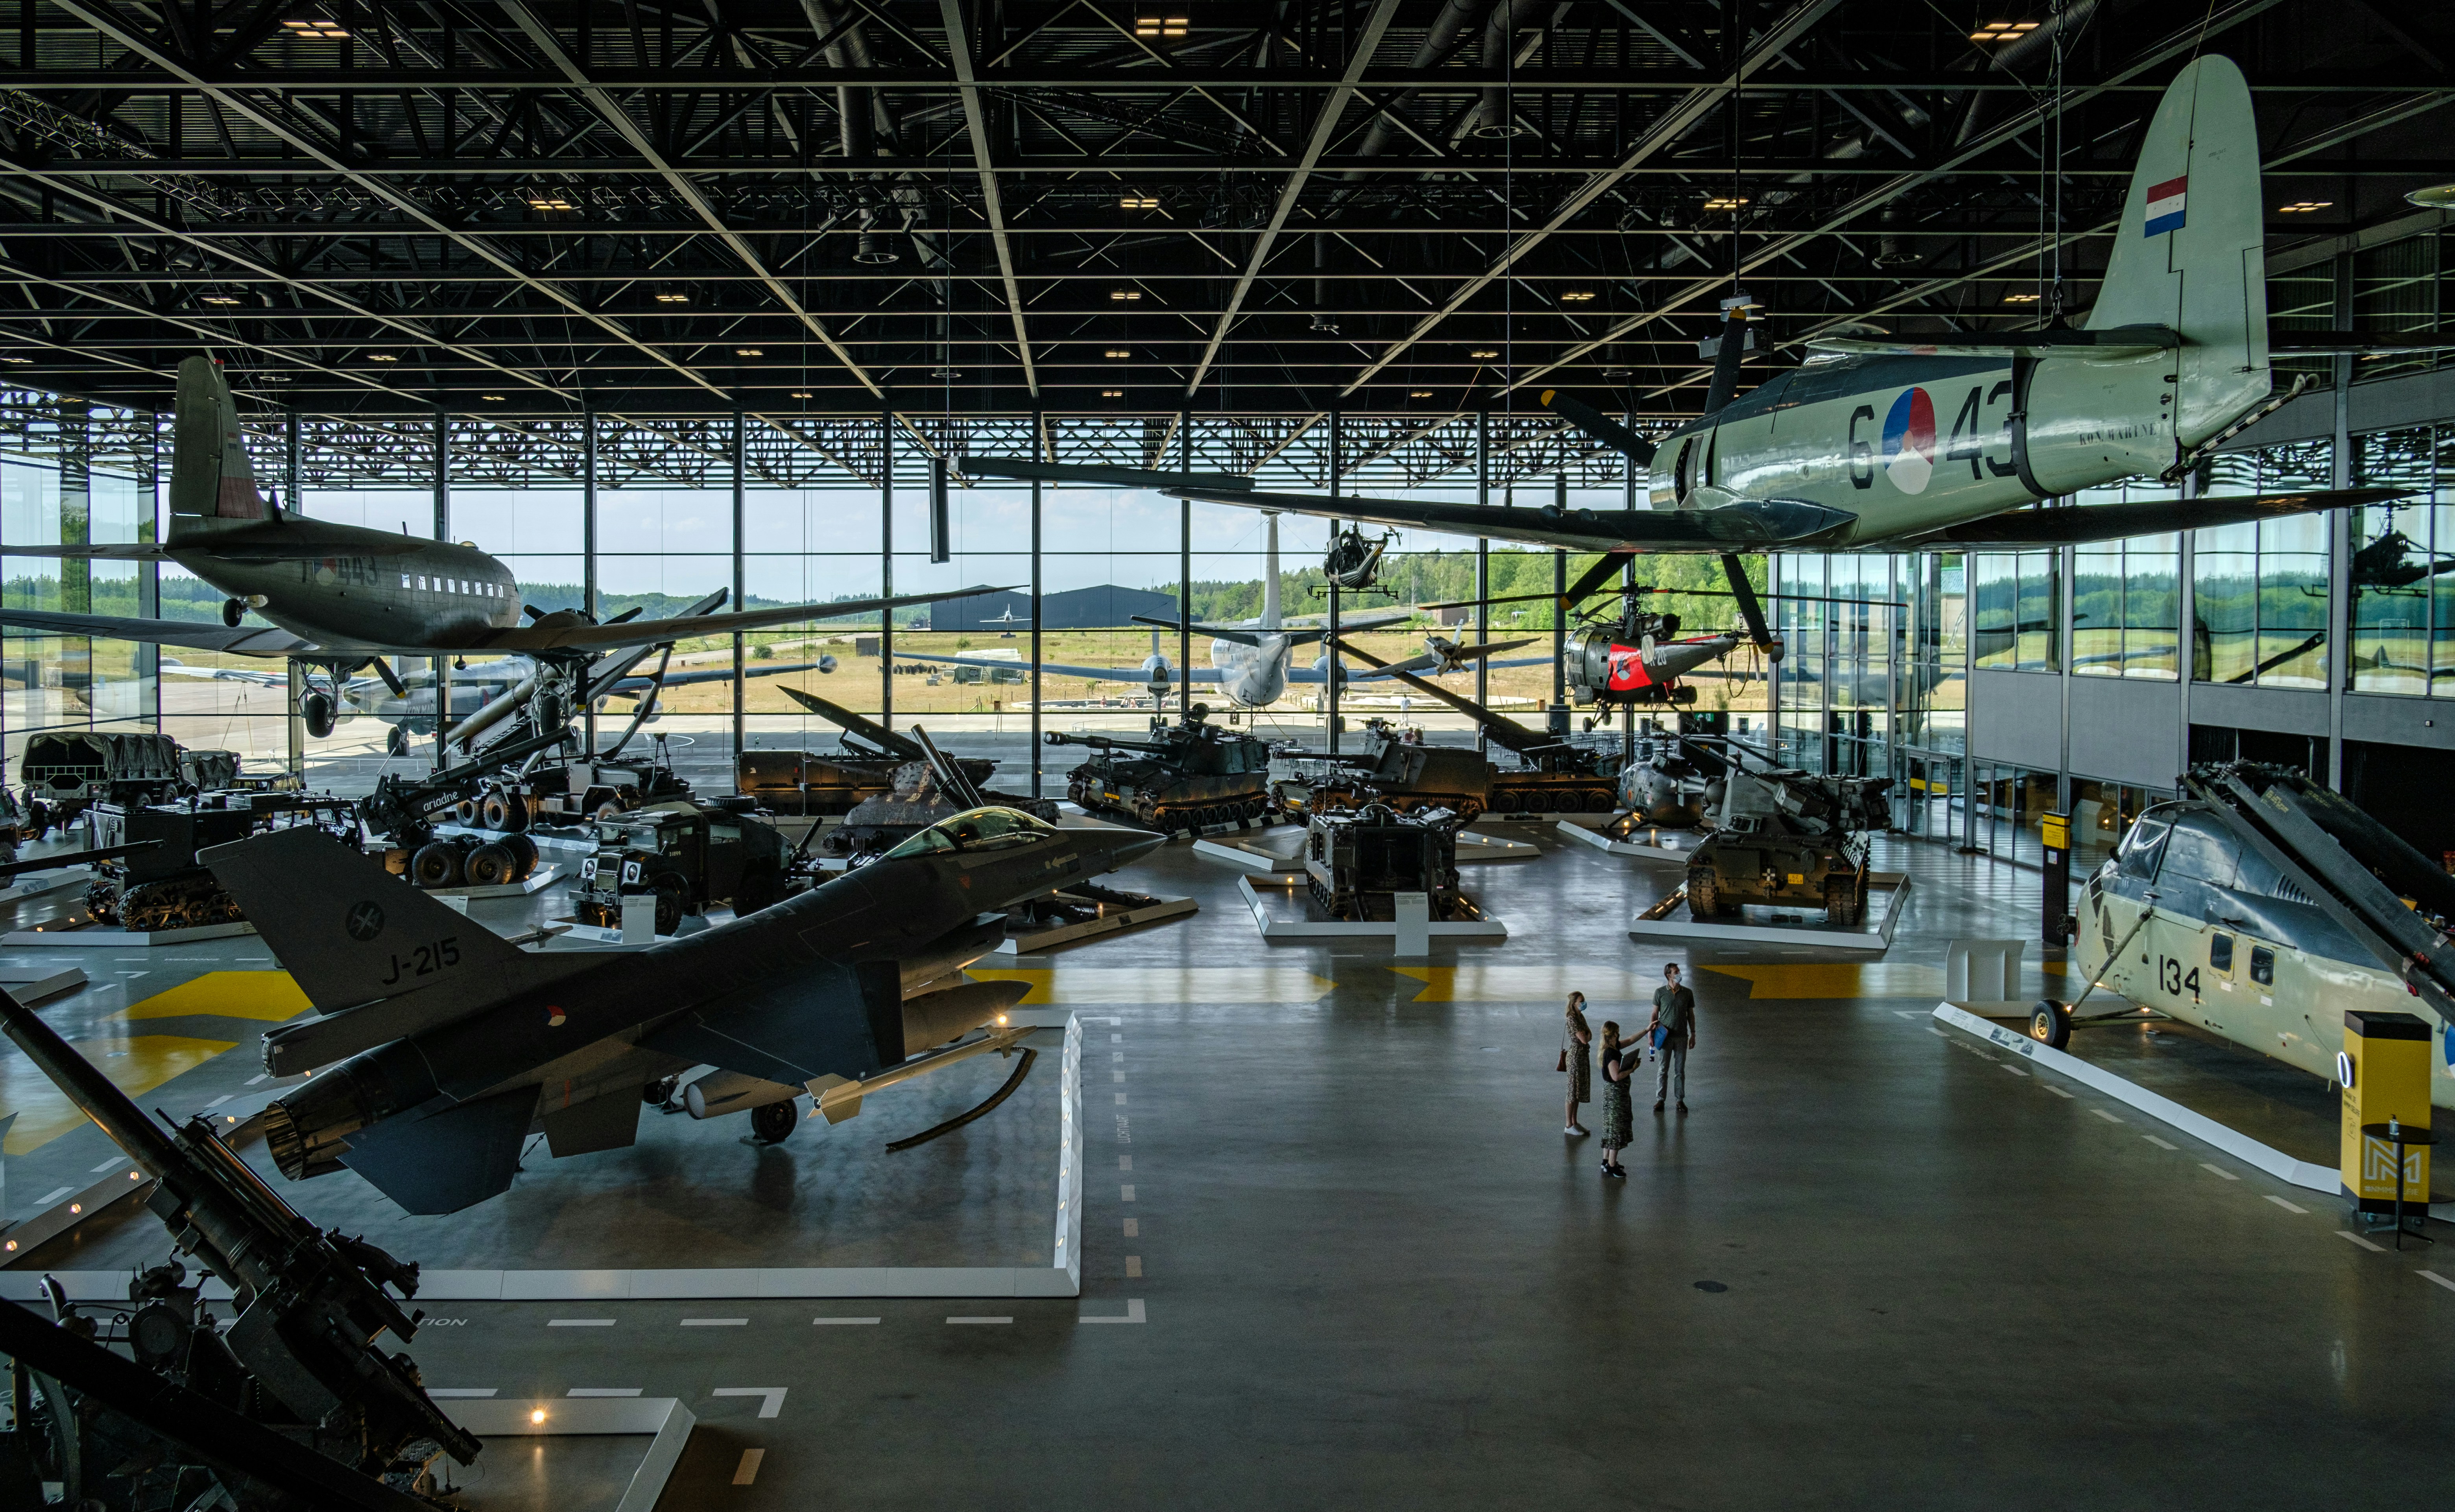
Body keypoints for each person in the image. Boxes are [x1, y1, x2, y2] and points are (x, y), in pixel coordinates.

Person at [1650, 962, 1696, 1114]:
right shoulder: (1660, 993)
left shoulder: (1688, 993)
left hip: (1682, 1037)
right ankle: (1660, 1100)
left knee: (1680, 1071)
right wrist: (1651, 1034)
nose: (1679, 973)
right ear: (1669, 975)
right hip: (1665, 1038)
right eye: (1676, 972)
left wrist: (1693, 1034)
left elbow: (1691, 1015)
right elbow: (1655, 1015)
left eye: (1679, 971)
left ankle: (1679, 1100)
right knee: (1663, 1069)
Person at [1597, 1021, 1634, 1177]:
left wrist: (1647, 1030)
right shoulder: (1611, 1054)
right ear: (1612, 1036)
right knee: (1616, 1129)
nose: (1619, 1036)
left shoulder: (1611, 1048)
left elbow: (1631, 1040)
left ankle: (1606, 1161)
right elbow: (1616, 1076)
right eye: (1617, 1033)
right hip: (1616, 1097)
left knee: (1610, 1128)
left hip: (1612, 1095)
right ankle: (1612, 1166)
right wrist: (1632, 1068)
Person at [1561, 993, 1592, 1136]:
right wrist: (1586, 1034)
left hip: (1583, 1056)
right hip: (1575, 1057)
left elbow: (1589, 1035)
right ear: (1574, 1003)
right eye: (1581, 1001)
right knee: (1572, 1091)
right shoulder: (1572, 1019)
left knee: (1578, 1091)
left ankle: (1575, 1122)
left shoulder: (1580, 1017)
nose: (1584, 1003)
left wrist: (1586, 1034)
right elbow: (1585, 1039)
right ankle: (1568, 1124)